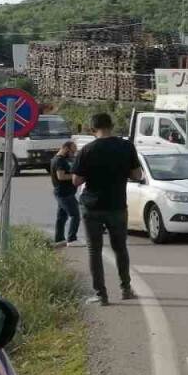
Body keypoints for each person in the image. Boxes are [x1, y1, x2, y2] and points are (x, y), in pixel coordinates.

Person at [72, 113, 142, 306]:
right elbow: (137, 174)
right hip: (117, 205)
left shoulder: (86, 150)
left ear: (92, 128)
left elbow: (76, 180)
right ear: (111, 126)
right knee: (120, 248)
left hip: (92, 206)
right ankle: (126, 289)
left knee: (94, 251)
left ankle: (101, 295)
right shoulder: (126, 146)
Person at [50, 141, 81, 248]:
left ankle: (59, 239)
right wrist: (75, 176)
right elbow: (61, 176)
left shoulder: (60, 159)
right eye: (72, 151)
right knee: (75, 215)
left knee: (61, 217)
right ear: (66, 149)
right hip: (64, 193)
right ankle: (72, 239)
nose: (73, 154)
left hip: (64, 192)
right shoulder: (59, 160)